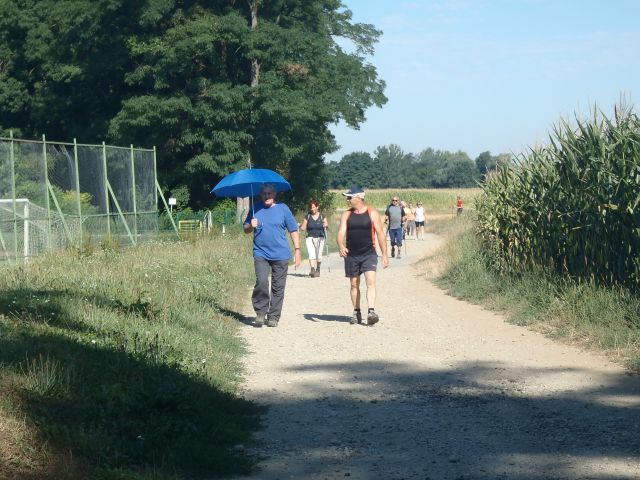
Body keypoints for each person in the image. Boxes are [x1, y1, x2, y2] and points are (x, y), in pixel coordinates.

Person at [243, 184, 301, 327]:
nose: (267, 196)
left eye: (269, 193)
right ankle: (260, 313)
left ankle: (274, 316)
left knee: (278, 286)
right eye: (264, 194)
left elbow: (293, 229)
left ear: (274, 194)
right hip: (260, 252)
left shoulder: (283, 208)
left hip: (280, 253)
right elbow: (245, 229)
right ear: (260, 195)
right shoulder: (255, 208)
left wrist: (297, 250)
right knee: (261, 281)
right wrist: (251, 224)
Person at [336, 186, 389, 326]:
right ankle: (356, 311)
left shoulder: (372, 213)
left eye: (349, 197)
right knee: (354, 284)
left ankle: (371, 311)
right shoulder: (346, 215)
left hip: (369, 253)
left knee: (371, 282)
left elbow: (380, 235)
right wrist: (341, 246)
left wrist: (384, 254)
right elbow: (341, 233)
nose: (347, 200)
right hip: (351, 254)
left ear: (359, 198)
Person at [299, 198, 329, 277]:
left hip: (320, 237)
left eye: (313, 207)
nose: (312, 209)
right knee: (311, 253)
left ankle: (318, 269)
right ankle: (312, 269)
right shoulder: (308, 216)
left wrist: (325, 225)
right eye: (311, 207)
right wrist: (299, 226)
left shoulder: (322, 216)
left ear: (317, 207)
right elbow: (303, 228)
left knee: (319, 256)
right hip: (310, 237)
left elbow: (326, 224)